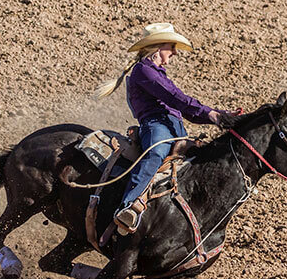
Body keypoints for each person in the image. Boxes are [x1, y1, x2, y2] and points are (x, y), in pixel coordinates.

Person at [97, 23, 237, 232]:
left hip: (173, 126)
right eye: (171, 46)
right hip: (156, 125)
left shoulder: (156, 73)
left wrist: (217, 115)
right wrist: (212, 114)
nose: (174, 52)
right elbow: (176, 98)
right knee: (156, 154)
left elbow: (183, 106)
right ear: (157, 47)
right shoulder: (144, 70)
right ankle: (128, 207)